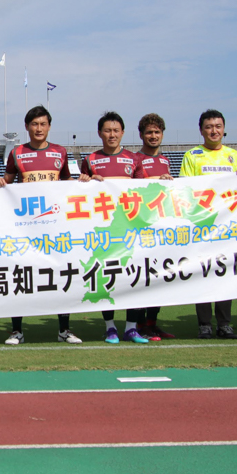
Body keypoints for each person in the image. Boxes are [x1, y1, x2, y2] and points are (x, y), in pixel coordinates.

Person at [0, 105, 79, 345]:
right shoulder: (17, 152)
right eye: (34, 124)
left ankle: (64, 330)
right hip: (26, 228)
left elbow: (68, 182)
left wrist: (81, 181)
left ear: (49, 126)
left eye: (43, 124)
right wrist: (0, 183)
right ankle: (17, 331)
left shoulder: (60, 152)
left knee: (62, 275)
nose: (38, 128)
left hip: (55, 227)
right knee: (20, 276)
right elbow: (8, 180)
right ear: (27, 127)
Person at [78, 112, 149, 344]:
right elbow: (80, 192)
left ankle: (131, 328)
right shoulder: (90, 159)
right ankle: (110, 328)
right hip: (103, 230)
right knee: (105, 276)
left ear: (123, 133)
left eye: (116, 130)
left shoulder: (133, 159)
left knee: (134, 276)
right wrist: (85, 182)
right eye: (107, 130)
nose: (112, 134)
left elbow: (144, 189)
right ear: (100, 133)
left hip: (130, 228)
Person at [180, 109, 237, 339]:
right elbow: (185, 190)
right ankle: (204, 324)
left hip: (227, 225)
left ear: (224, 129)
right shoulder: (192, 156)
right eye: (209, 127)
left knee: (225, 273)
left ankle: (224, 324)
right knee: (203, 274)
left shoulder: (234, 156)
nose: (213, 131)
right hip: (202, 225)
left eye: (218, 126)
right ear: (201, 130)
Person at [133, 113, 175, 341]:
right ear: (141, 135)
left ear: (162, 134)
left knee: (159, 278)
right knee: (142, 277)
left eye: (157, 132)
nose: (153, 136)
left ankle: (152, 323)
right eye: (148, 132)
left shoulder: (166, 160)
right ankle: (140, 325)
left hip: (162, 226)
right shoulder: (135, 159)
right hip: (141, 226)